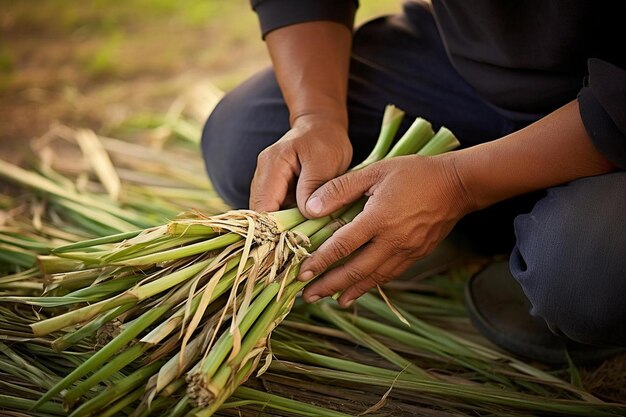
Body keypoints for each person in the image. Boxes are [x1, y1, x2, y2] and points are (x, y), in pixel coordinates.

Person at [201, 0, 626, 363]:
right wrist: (316, 115)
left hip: (610, 101)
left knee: (582, 278)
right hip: (467, 71)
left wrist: (460, 183)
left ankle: (531, 244)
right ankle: (485, 221)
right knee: (244, 138)